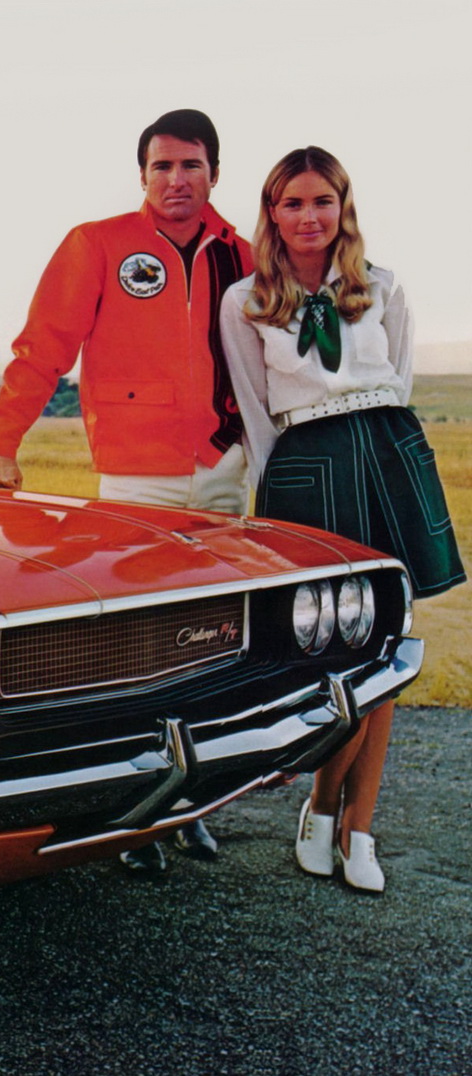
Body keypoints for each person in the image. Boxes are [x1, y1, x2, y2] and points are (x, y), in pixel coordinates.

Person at [0, 108, 255, 874]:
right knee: (138, 650)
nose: (177, 180)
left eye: (191, 166)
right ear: (142, 175)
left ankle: (190, 801)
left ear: (214, 173)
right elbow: (44, 347)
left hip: (224, 472)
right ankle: (127, 816)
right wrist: (3, 441)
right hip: (139, 478)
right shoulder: (99, 244)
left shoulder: (242, 254)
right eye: (163, 166)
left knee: (215, 643)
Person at [219, 146, 463, 893]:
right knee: (335, 646)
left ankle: (357, 828)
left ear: (342, 206)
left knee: (388, 640)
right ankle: (320, 807)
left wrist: (380, 446)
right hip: (306, 461)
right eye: (291, 203)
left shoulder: (381, 287)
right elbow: (258, 408)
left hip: (386, 448)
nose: (308, 217)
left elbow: (401, 376)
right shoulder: (247, 300)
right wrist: (279, 497)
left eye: (322, 201)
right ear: (272, 212)